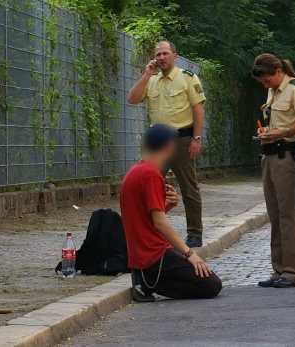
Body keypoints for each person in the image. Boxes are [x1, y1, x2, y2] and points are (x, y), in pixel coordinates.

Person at [119, 124, 222, 302]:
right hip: (153, 253)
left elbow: (143, 218)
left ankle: (145, 279)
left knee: (200, 278)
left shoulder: (136, 170)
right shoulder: (151, 175)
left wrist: (167, 206)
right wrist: (189, 254)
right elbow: (159, 223)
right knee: (211, 285)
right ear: (168, 146)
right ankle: (149, 282)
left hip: (140, 252)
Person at [127, 40, 206, 248]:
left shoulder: (187, 78)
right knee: (147, 186)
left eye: (165, 54)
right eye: (158, 54)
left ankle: (195, 233)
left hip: (181, 140)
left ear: (174, 56)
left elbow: (198, 108)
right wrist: (145, 75)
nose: (161, 58)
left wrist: (196, 138)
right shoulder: (151, 80)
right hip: (156, 143)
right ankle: (147, 231)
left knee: (189, 188)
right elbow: (132, 99)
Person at [251, 54, 295, 288]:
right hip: (271, 155)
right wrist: (268, 131)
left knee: (288, 215)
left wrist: (282, 132)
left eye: (267, 80)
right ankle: (279, 269)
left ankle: (292, 272)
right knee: (275, 215)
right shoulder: (274, 89)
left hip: (288, 155)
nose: (265, 85)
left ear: (278, 72)